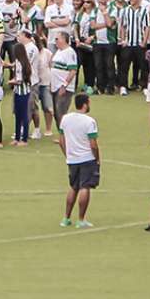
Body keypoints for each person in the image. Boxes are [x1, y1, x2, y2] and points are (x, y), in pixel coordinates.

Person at [57, 92, 99, 229]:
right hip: (87, 158)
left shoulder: (65, 119)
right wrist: (97, 158)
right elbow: (93, 144)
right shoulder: (89, 122)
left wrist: (67, 154)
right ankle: (81, 219)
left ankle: (66, 218)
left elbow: (61, 140)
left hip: (72, 158)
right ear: (85, 104)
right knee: (84, 187)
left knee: (73, 187)